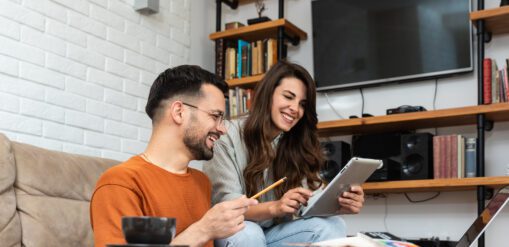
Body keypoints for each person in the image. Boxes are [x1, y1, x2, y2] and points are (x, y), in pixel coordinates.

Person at [90, 65, 258, 247]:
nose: (222, 129)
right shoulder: (122, 184)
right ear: (179, 112)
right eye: (215, 116)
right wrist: (203, 230)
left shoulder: (201, 183)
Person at [203, 61, 366, 247]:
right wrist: (276, 207)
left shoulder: (295, 144)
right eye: (288, 97)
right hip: (235, 230)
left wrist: (340, 204)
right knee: (249, 232)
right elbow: (228, 208)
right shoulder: (227, 136)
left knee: (333, 225)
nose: (295, 109)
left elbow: (311, 200)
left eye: (302, 104)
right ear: (268, 95)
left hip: (272, 234)